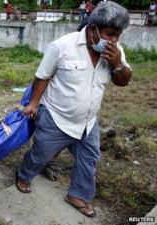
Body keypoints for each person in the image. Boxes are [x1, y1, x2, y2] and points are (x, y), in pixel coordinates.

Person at [15, 1, 131, 218]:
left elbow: (124, 81)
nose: (114, 40)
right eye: (110, 33)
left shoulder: (115, 51)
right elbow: (42, 76)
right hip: (56, 117)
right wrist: (32, 104)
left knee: (89, 158)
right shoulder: (61, 46)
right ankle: (24, 174)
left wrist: (118, 64)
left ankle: (77, 195)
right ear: (93, 28)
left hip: (88, 122)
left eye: (118, 35)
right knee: (41, 154)